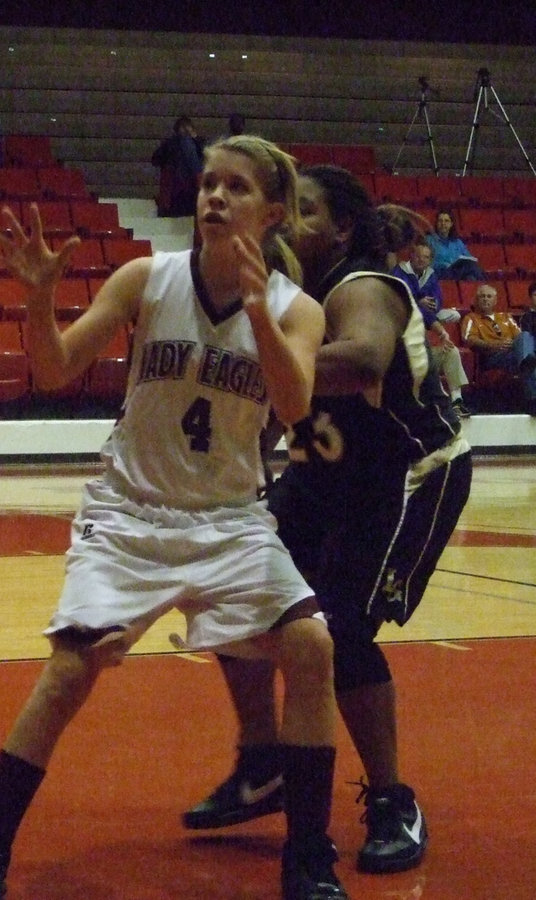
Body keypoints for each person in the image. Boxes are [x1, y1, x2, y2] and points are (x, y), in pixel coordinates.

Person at [0, 136, 348, 900]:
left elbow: (296, 407)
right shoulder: (147, 278)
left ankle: (309, 858)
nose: (214, 198)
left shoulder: (301, 310)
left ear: (271, 213)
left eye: (234, 187)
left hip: (230, 521)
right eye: (207, 184)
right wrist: (39, 296)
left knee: (310, 645)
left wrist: (260, 310)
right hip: (131, 515)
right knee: (70, 670)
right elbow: (54, 367)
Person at [182, 165, 473, 879]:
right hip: (323, 469)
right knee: (227, 586)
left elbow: (367, 359)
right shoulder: (286, 291)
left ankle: (391, 798)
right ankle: (264, 764)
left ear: (342, 228)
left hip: (404, 474)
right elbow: (286, 409)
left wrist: (256, 352)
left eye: (307, 211)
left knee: (339, 633)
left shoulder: (361, 284)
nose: (290, 223)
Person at [392, 241, 472, 416]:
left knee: (451, 350)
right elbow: (404, 301)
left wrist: (429, 308)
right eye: (418, 256)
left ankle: (457, 400)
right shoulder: (399, 272)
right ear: (411, 256)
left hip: (424, 344)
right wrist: (421, 304)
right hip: (402, 356)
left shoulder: (431, 274)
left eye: (426, 257)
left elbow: (436, 301)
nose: (421, 260)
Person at [460, 282, 536, 413]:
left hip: (511, 353)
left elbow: (519, 337)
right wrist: (494, 345)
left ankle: (532, 399)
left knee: (525, 340)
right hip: (491, 356)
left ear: (495, 300)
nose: (485, 299)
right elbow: (469, 339)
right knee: (529, 360)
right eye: (482, 296)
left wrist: (512, 345)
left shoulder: (505, 316)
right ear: (476, 300)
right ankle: (531, 393)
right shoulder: (471, 318)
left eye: (489, 296)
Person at [151, 116, 206, 218]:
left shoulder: (196, 144)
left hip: (178, 193)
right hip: (187, 192)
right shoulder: (172, 144)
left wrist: (195, 140)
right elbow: (155, 159)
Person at [426, 209, 486, 281]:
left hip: (456, 273)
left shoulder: (457, 242)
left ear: (451, 224)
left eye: (446, 221)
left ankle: (482, 285)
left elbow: (468, 259)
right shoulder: (429, 240)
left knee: (471, 275)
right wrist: (444, 265)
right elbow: (426, 263)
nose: (443, 224)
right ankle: (485, 284)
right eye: (440, 221)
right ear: (436, 223)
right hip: (439, 273)